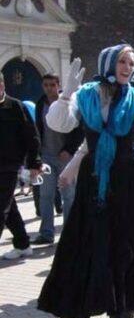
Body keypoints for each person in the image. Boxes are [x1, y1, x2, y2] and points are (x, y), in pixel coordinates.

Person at [37, 44, 134, 318]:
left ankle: (126, 317)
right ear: (107, 63)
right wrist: (66, 95)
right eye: (122, 61)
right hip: (96, 180)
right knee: (98, 243)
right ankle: (111, 313)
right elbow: (58, 123)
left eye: (131, 62)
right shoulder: (86, 95)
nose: (128, 67)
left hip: (131, 179)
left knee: (128, 245)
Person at [31, 73, 84, 246]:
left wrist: (69, 150)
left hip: (65, 157)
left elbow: (79, 129)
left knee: (68, 195)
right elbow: (37, 130)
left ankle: (68, 233)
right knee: (45, 195)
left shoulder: (69, 102)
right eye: (45, 85)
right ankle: (46, 233)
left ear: (58, 85)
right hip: (46, 155)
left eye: (52, 85)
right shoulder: (40, 104)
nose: (49, 88)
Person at [0, 72, 42, 260]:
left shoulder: (15, 106)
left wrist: (34, 163)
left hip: (9, 165)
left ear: (2, 85)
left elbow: (31, 136)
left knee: (1, 207)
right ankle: (23, 243)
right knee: (9, 207)